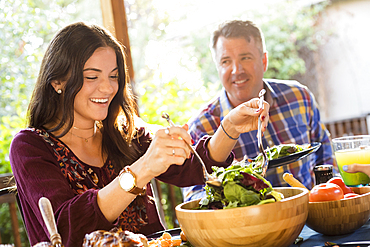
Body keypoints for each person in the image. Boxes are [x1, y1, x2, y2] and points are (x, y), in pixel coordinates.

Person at [9, 22, 269, 247]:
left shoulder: (124, 131)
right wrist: (142, 169)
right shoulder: (31, 146)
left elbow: (192, 167)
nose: (108, 87)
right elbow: (67, 226)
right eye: (91, 76)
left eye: (113, 76)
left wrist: (230, 128)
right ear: (58, 82)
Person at [182, 20, 334, 202]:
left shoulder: (299, 97)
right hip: (248, 227)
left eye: (245, 58)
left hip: (309, 215)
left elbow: (323, 149)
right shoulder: (201, 126)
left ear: (264, 60)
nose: (236, 70)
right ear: (218, 67)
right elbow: (195, 195)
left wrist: (326, 195)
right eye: (225, 61)